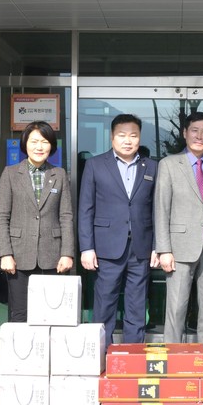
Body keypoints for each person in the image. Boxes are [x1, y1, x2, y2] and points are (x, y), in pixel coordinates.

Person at [154, 111, 203, 363]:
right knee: (176, 306)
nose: (199, 136)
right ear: (185, 133)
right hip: (179, 246)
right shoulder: (169, 164)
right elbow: (161, 208)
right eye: (195, 130)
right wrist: (164, 249)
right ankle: (173, 356)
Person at [78, 114, 159, 346]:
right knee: (104, 304)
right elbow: (86, 209)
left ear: (140, 138)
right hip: (106, 247)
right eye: (122, 135)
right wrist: (86, 248)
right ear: (112, 137)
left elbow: (156, 209)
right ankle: (100, 355)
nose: (128, 140)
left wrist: (157, 246)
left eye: (133, 135)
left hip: (140, 247)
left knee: (137, 306)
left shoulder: (151, 166)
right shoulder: (95, 165)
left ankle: (133, 356)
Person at [0, 121, 75, 322]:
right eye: (34, 141)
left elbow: (66, 216)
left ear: (51, 146)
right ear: (25, 144)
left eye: (44, 142)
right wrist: (5, 253)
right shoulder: (10, 173)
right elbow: (2, 217)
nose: (39, 147)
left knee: (53, 314)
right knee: (20, 314)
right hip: (19, 256)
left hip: (52, 256)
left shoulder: (59, 174)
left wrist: (67, 253)